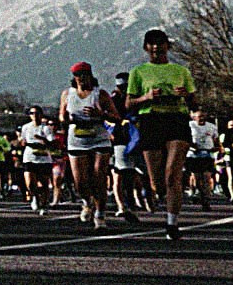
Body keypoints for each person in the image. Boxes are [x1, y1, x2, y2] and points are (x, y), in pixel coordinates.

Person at [124, 28, 195, 242]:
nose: (156, 47)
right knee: (158, 181)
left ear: (167, 46)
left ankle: (172, 223)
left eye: (161, 43)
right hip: (151, 121)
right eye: (152, 43)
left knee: (173, 174)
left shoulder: (181, 71)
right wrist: (145, 97)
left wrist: (185, 96)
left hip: (176, 120)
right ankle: (157, 192)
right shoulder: (138, 72)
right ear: (146, 48)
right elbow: (128, 104)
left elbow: (194, 103)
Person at [61, 64, 115, 228]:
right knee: (80, 181)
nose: (82, 78)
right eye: (78, 75)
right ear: (74, 77)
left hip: (99, 139)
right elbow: (61, 117)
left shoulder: (101, 94)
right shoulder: (67, 94)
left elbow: (116, 117)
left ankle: (100, 214)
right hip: (77, 139)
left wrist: (101, 114)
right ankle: (86, 202)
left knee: (99, 177)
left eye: (85, 75)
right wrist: (68, 119)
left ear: (91, 75)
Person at [17, 106, 59, 213]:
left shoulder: (46, 128)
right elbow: (22, 141)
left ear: (41, 114)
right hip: (29, 156)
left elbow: (52, 143)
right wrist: (21, 142)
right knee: (30, 183)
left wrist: (42, 139)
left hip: (43, 157)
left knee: (44, 183)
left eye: (36, 113)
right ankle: (34, 197)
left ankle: (44, 205)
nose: (34, 115)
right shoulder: (26, 127)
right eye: (32, 113)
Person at [186, 107, 219, 211]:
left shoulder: (211, 126)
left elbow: (216, 139)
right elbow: (185, 138)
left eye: (203, 116)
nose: (202, 119)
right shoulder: (190, 125)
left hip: (207, 154)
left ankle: (206, 201)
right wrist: (191, 145)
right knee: (197, 179)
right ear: (194, 117)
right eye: (199, 117)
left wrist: (217, 147)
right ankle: (198, 193)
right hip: (194, 155)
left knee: (206, 177)